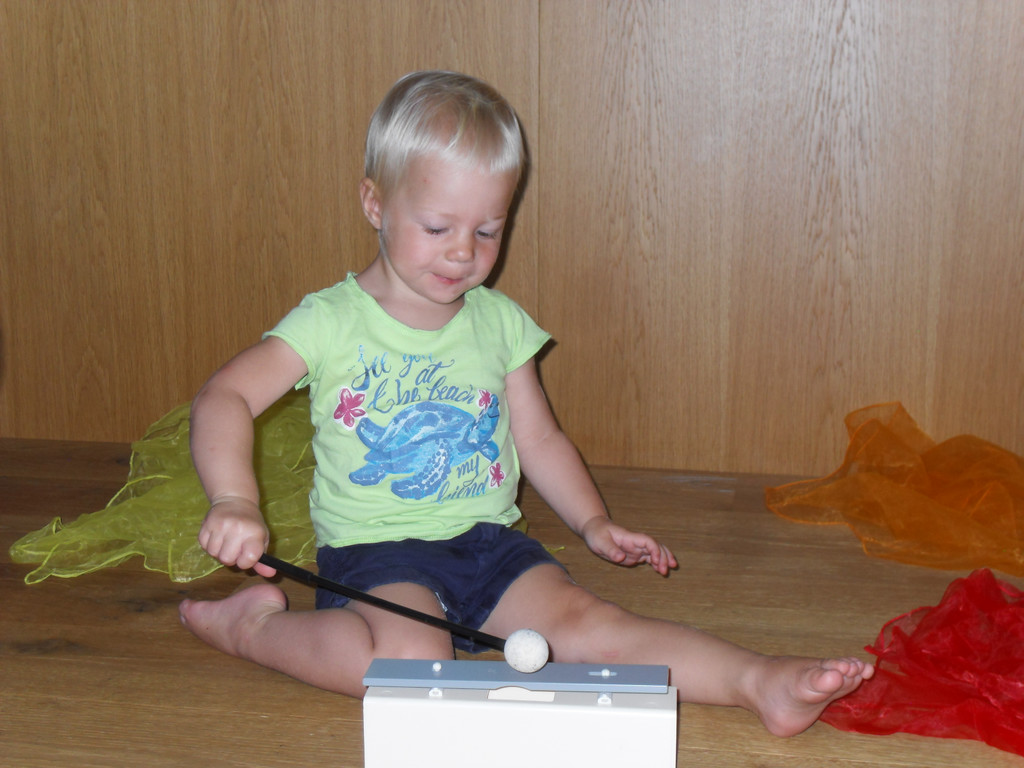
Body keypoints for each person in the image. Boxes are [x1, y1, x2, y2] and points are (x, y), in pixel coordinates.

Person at [179, 70, 873, 737]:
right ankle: (255, 629)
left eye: (487, 231)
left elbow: (538, 439)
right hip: (376, 553)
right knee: (414, 663)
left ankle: (758, 682)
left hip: (486, 544)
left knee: (589, 627)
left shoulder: (499, 322)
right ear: (374, 203)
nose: (463, 254)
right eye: (438, 227)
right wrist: (234, 499)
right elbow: (226, 395)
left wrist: (593, 521)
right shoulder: (331, 320)